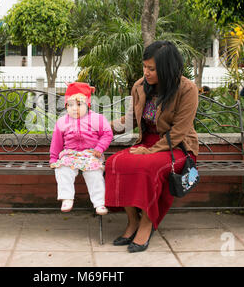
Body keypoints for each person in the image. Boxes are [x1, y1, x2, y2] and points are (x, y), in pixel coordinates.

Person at [105, 41, 199, 253]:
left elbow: (179, 131)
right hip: (146, 144)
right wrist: (100, 127)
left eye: (152, 69)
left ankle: (148, 224)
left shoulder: (187, 89)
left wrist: (150, 151)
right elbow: (130, 121)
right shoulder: (140, 86)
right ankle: (133, 221)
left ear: (167, 68)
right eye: (144, 67)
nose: (146, 72)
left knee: (147, 168)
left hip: (176, 147)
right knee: (114, 163)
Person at [50, 82, 113, 215]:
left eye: (79, 104)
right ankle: (67, 197)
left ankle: (99, 202)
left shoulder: (97, 119)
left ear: (88, 105)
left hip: (91, 153)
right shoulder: (62, 122)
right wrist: (53, 159)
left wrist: (100, 148)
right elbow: (57, 142)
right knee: (62, 169)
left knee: (94, 173)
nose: (74, 108)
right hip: (70, 154)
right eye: (70, 105)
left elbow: (107, 134)